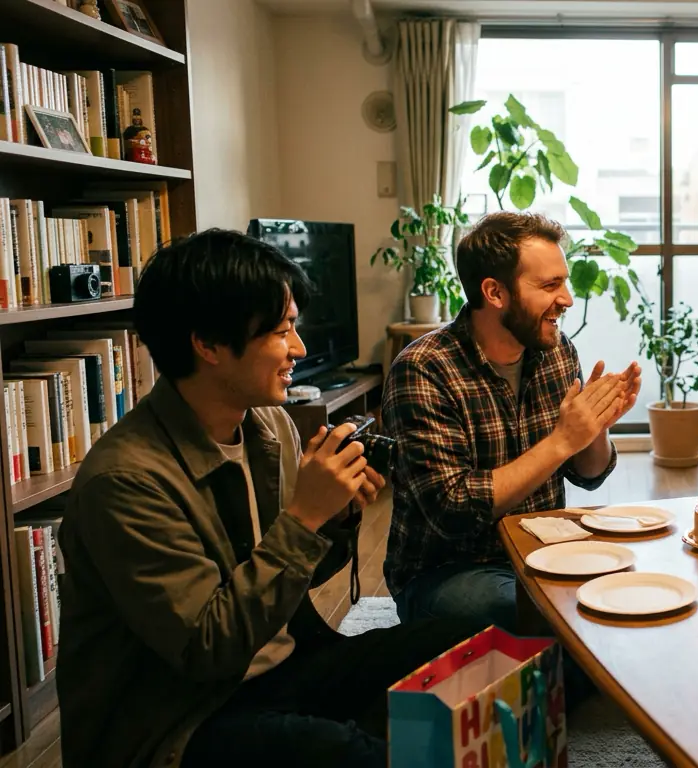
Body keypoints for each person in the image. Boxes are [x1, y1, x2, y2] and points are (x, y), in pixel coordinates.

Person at [57, 229, 475, 768]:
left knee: (466, 647)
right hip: (180, 716)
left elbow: (286, 582)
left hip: (280, 665)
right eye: (281, 331)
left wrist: (332, 518)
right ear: (208, 344)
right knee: (352, 754)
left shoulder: (269, 427)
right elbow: (209, 649)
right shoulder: (125, 483)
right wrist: (304, 517)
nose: (298, 348)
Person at [384, 211, 640, 633]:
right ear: (495, 292)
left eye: (564, 282)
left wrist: (596, 425)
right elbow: (454, 509)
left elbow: (589, 475)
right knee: (538, 614)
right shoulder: (424, 368)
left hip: (545, 551)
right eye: (550, 285)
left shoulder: (557, 352)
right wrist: (562, 440)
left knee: (625, 595)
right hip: (450, 570)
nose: (567, 299)